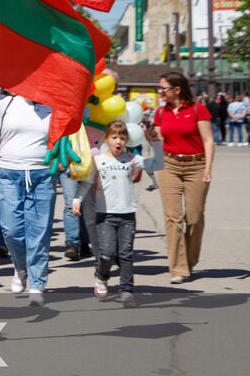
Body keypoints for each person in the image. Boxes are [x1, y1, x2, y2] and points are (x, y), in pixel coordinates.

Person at [74, 120, 164, 306]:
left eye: (122, 138)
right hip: (104, 215)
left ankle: (127, 291)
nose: (118, 141)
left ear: (127, 141)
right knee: (106, 254)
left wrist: (155, 143)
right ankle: (102, 275)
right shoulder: (98, 160)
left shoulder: (131, 159)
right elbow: (87, 183)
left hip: (127, 215)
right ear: (106, 138)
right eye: (114, 137)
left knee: (126, 255)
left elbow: (157, 164)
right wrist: (77, 200)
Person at [0, 92, 58, 305]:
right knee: (10, 229)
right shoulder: (5, 103)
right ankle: (20, 267)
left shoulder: (54, 104)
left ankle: (38, 283)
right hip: (9, 173)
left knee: (39, 232)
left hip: (42, 174)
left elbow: (78, 114)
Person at [153, 71, 215, 283]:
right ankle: (178, 269)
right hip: (169, 166)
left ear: (177, 89)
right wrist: (149, 139)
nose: (160, 92)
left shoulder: (198, 109)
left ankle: (189, 260)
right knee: (173, 218)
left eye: (163, 88)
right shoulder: (161, 113)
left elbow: (208, 140)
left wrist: (208, 168)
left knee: (195, 218)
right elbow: (158, 141)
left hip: (196, 166)